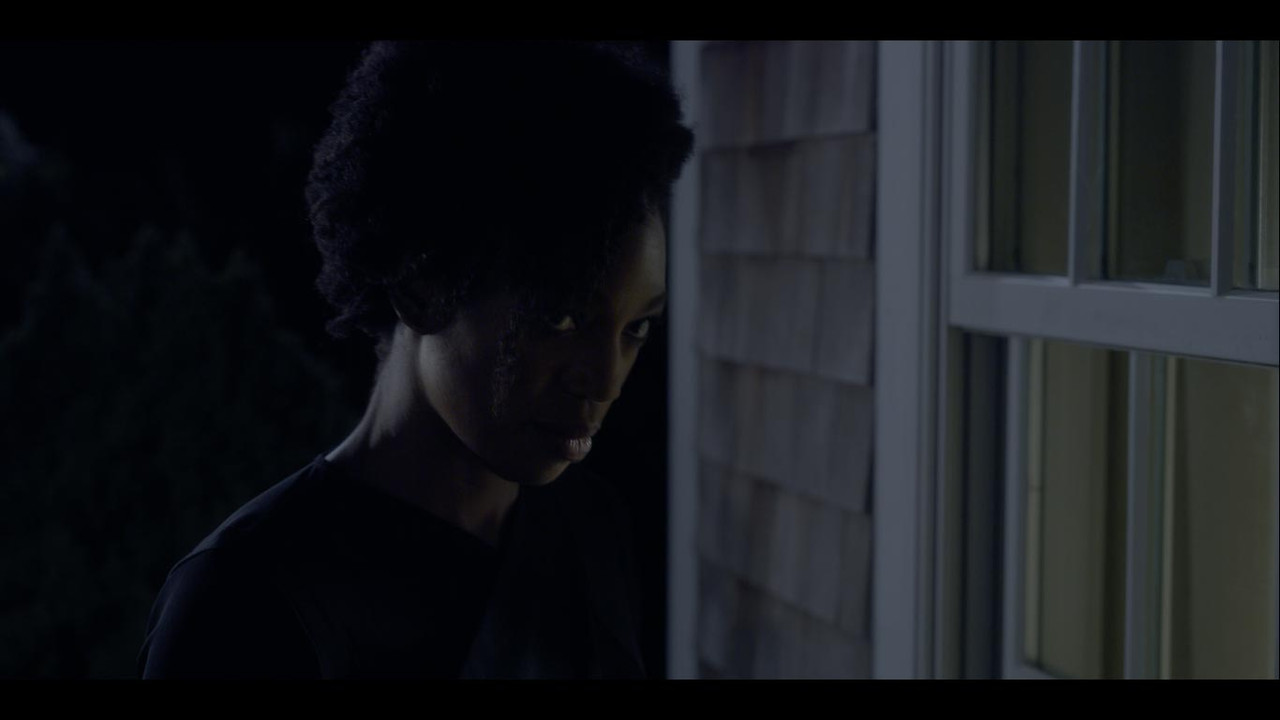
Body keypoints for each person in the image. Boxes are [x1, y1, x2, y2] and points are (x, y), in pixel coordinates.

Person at [135, 41, 694, 678]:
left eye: (637, 327)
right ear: (421, 286)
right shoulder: (244, 603)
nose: (605, 378)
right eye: (560, 318)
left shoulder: (591, 527)